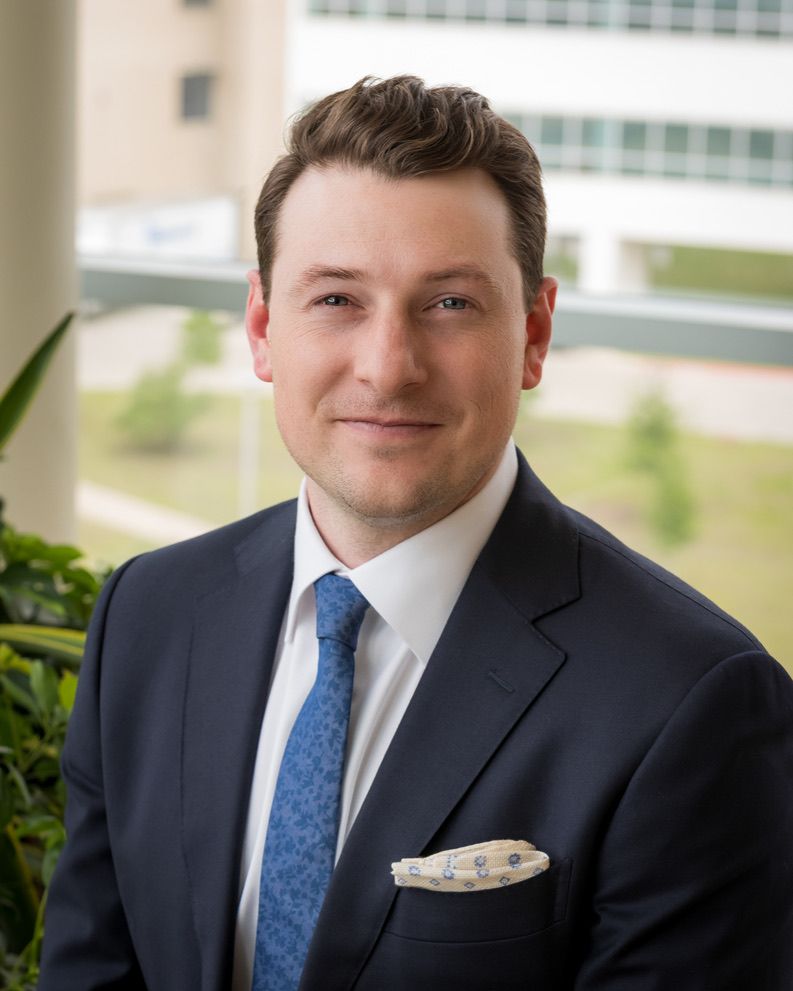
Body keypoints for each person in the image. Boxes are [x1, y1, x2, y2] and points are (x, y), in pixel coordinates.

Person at [40, 76, 792, 991]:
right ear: (263, 325)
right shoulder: (147, 615)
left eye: (449, 304)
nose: (387, 368)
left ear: (534, 332)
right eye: (336, 299)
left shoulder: (692, 702)